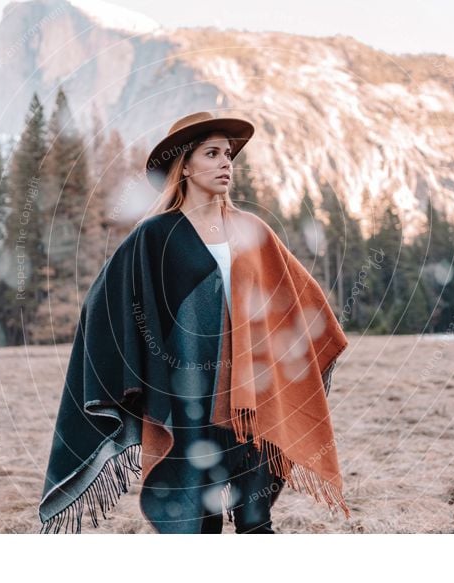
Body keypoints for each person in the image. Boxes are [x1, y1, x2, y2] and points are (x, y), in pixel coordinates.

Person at [38, 111, 350, 535]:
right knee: (198, 527)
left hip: (254, 406)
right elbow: (102, 306)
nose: (227, 163)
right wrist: (138, 368)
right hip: (188, 407)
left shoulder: (252, 230)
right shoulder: (156, 237)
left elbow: (300, 302)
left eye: (229, 154)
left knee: (257, 524)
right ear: (184, 164)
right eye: (213, 153)